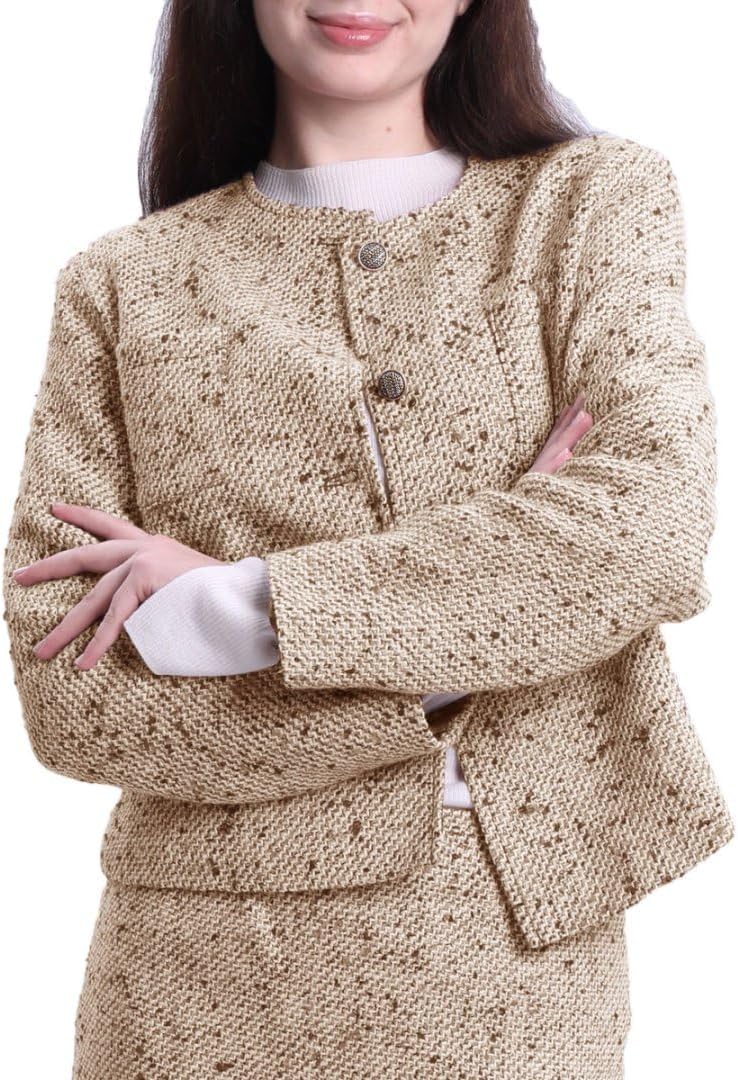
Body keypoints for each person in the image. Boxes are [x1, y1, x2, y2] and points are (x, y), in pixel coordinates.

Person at [3, 2, 733, 1077]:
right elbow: (74, 700)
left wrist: (235, 606)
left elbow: (645, 529)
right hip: (188, 975)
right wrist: (478, 632)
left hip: (509, 965)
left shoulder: (587, 203)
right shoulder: (121, 284)